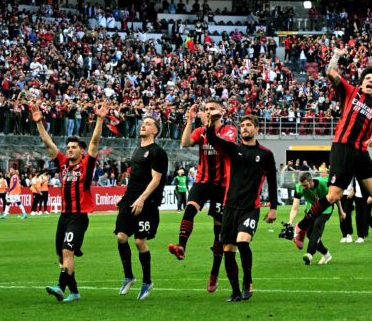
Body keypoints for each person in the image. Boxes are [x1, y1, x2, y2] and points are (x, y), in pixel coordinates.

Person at [293, 48, 372, 254]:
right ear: (362, 82)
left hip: (361, 152)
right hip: (342, 147)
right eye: (367, 78)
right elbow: (330, 72)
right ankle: (302, 226)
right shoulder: (351, 92)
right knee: (333, 195)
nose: (370, 81)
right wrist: (337, 55)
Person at [33, 102, 108, 303]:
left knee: (67, 251)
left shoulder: (86, 164)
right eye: (68, 148)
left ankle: (60, 287)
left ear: (81, 151)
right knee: (62, 256)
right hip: (64, 216)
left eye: (74, 147)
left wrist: (100, 119)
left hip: (79, 216)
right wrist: (39, 122)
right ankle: (74, 292)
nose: (70, 150)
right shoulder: (63, 164)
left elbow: (95, 141)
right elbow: (48, 143)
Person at [206, 113, 278, 302]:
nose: (245, 128)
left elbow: (272, 182)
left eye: (248, 125)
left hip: (250, 208)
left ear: (256, 129)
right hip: (230, 207)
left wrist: (273, 207)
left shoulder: (266, 154)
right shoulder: (233, 149)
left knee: (243, 241)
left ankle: (248, 279)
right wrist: (211, 122)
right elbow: (212, 139)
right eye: (242, 125)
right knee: (228, 250)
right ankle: (235, 291)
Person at [169, 99, 237, 294]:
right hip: (202, 181)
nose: (208, 111)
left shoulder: (228, 130)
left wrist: (210, 128)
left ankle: (214, 272)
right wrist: (190, 120)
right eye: (206, 109)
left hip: (222, 185)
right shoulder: (200, 131)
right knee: (190, 209)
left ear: (221, 112)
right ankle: (181, 246)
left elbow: (228, 145)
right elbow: (184, 143)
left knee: (218, 232)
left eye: (212, 109)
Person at [115, 117, 168, 300]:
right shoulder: (137, 150)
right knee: (121, 237)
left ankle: (147, 282)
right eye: (143, 123)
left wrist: (142, 199)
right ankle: (128, 276)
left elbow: (156, 179)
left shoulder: (157, 152)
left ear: (155, 130)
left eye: (148, 123)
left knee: (139, 242)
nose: (143, 125)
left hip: (147, 202)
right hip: (129, 199)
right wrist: (126, 197)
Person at [289, 172, 333, 265]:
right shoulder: (299, 188)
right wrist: (290, 221)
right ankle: (326, 254)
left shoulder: (324, 184)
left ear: (311, 181)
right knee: (309, 234)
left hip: (325, 209)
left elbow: (335, 196)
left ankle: (309, 254)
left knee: (317, 226)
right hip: (311, 210)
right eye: (302, 185)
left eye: (305, 185)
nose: (303, 187)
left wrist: (341, 212)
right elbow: (295, 208)